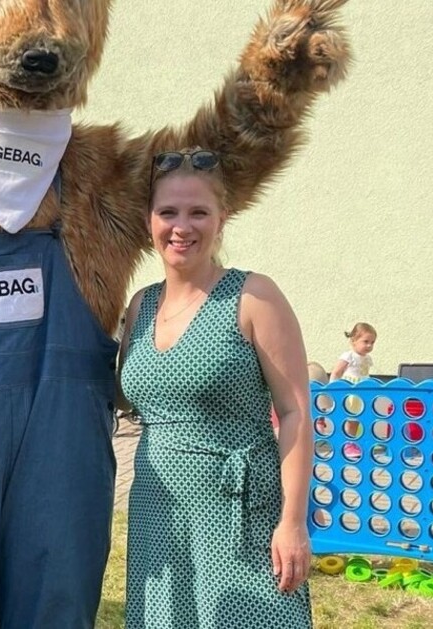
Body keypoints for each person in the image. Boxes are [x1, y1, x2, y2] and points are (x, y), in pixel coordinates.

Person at [118, 148, 314, 628]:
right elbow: (126, 396)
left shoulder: (254, 296)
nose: (181, 227)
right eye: (168, 212)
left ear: (222, 219)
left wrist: (292, 522)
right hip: (156, 509)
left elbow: (295, 412)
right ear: (149, 221)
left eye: (198, 213)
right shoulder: (141, 305)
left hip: (239, 512)